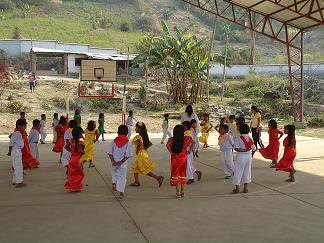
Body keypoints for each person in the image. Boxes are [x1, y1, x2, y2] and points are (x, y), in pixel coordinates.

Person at [129, 122, 164, 187]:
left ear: (139, 129)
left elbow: (139, 144)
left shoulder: (138, 136)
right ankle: (136, 182)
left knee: (144, 169)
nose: (135, 129)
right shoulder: (145, 136)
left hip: (141, 154)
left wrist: (137, 151)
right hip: (144, 153)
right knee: (135, 167)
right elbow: (149, 144)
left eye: (136, 127)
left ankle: (158, 178)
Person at [166, 125, 193, 198]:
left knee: (175, 173)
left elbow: (167, 145)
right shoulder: (186, 139)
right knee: (182, 173)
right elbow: (193, 142)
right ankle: (182, 191)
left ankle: (177, 191)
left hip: (175, 158)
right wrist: (189, 150)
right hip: (183, 158)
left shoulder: (171, 140)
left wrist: (171, 152)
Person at [107, 125, 133, 199]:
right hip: (123, 163)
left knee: (114, 171)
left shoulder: (114, 141)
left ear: (117, 132)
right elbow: (128, 155)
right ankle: (121, 192)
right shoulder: (128, 143)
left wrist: (112, 160)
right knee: (122, 177)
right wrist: (122, 161)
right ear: (127, 133)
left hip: (114, 161)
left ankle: (114, 183)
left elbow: (109, 152)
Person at [233, 123, 255, 194]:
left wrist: (244, 150)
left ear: (239, 130)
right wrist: (247, 150)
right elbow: (254, 148)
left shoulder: (238, 138)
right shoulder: (249, 138)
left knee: (238, 171)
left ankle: (237, 188)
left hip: (241, 156)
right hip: (248, 157)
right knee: (247, 171)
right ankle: (245, 188)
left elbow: (236, 148)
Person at [65, 127, 85, 192]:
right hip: (77, 160)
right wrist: (84, 151)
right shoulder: (79, 142)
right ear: (79, 134)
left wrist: (72, 151)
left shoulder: (72, 140)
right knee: (79, 174)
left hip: (72, 159)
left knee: (73, 174)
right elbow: (80, 151)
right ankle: (77, 187)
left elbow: (66, 147)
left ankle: (73, 186)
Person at [8, 119, 26, 188]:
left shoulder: (19, 132)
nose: (25, 127)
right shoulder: (17, 133)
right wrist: (9, 152)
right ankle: (19, 182)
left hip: (17, 150)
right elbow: (11, 143)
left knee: (17, 166)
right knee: (19, 167)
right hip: (16, 151)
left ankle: (15, 180)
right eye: (24, 125)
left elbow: (11, 138)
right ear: (19, 126)